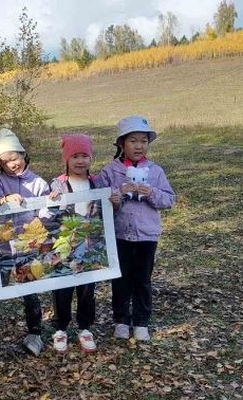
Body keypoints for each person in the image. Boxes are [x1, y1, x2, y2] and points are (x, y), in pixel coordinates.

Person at [98, 116, 175, 341]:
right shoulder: (110, 171)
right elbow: (100, 201)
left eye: (143, 140)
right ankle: (121, 320)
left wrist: (151, 192)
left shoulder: (155, 171)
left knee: (142, 279)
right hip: (120, 235)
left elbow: (169, 200)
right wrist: (117, 194)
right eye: (133, 140)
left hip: (146, 236)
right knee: (120, 279)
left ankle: (141, 322)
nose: (139, 145)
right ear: (121, 144)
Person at [0, 128, 49, 356]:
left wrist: (45, 217)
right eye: (5, 161)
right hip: (3, 250)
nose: (12, 164)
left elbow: (47, 212)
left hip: (28, 251)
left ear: (23, 154)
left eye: (15, 158)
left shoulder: (39, 183)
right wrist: (3, 200)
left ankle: (35, 333)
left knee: (30, 293)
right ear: (0, 163)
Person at [48, 134, 101, 354]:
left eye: (85, 156)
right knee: (63, 287)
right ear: (66, 159)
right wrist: (51, 200)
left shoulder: (97, 183)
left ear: (91, 158)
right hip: (64, 246)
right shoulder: (58, 184)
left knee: (88, 288)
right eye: (75, 156)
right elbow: (49, 213)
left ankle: (85, 327)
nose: (80, 161)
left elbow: (105, 211)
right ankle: (60, 328)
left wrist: (113, 201)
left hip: (89, 246)